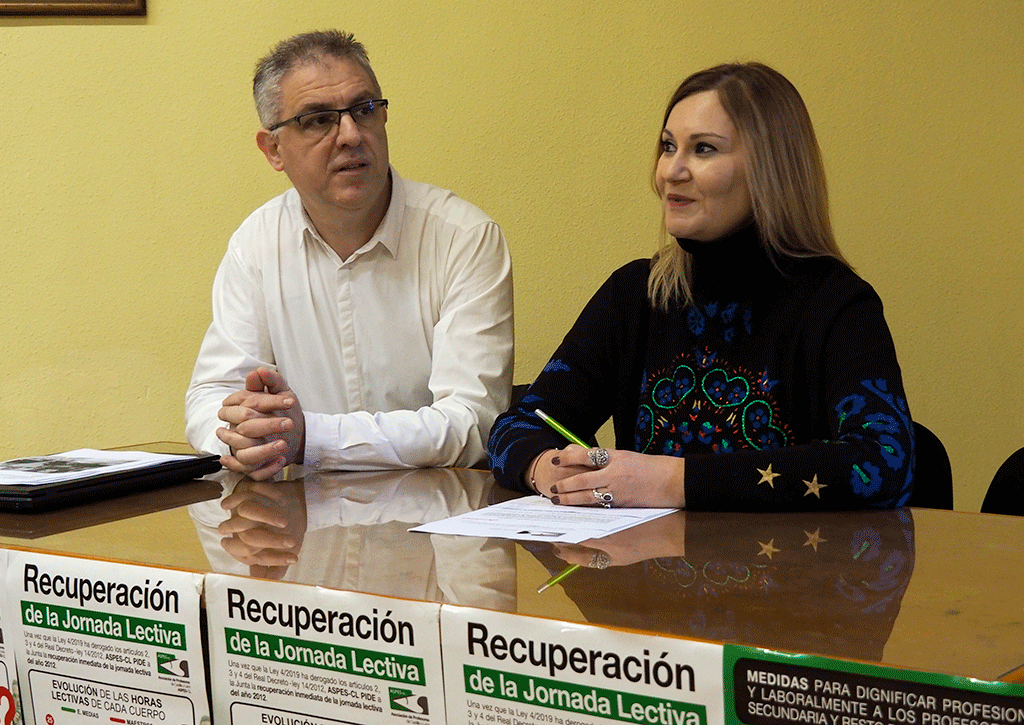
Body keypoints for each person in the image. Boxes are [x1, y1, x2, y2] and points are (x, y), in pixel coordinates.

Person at [488, 62, 914, 510]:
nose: (672, 171)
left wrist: (671, 481)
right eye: (668, 147)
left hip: (791, 574)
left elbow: (884, 462)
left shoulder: (837, 303)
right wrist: (546, 468)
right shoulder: (635, 294)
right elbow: (517, 425)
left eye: (704, 149)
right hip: (645, 572)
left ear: (771, 170)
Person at [186, 30, 513, 479]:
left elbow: (472, 422)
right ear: (273, 149)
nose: (350, 135)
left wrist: (309, 439)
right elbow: (210, 397)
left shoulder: (464, 238)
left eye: (364, 110)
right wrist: (245, 433)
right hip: (300, 529)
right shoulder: (256, 244)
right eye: (318, 120)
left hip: (438, 528)